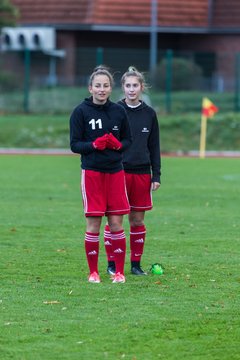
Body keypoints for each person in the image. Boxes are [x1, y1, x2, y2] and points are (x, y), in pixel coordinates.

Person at [70, 66, 132, 283]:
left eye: (106, 86)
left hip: (115, 173)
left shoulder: (118, 111)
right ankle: (93, 272)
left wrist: (118, 146)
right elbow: (75, 145)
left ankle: (119, 273)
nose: (102, 89)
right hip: (92, 174)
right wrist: (93, 145)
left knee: (116, 224)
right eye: (98, 85)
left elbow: (127, 141)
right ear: (90, 88)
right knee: (94, 224)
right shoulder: (80, 112)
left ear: (110, 88)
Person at [104, 66, 161, 276]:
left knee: (137, 220)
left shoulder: (149, 114)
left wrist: (157, 175)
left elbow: (154, 146)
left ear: (141, 87)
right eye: (127, 85)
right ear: (123, 88)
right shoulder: (114, 111)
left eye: (135, 85)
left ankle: (136, 265)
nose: (131, 89)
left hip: (142, 173)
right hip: (117, 173)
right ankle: (112, 263)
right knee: (115, 221)